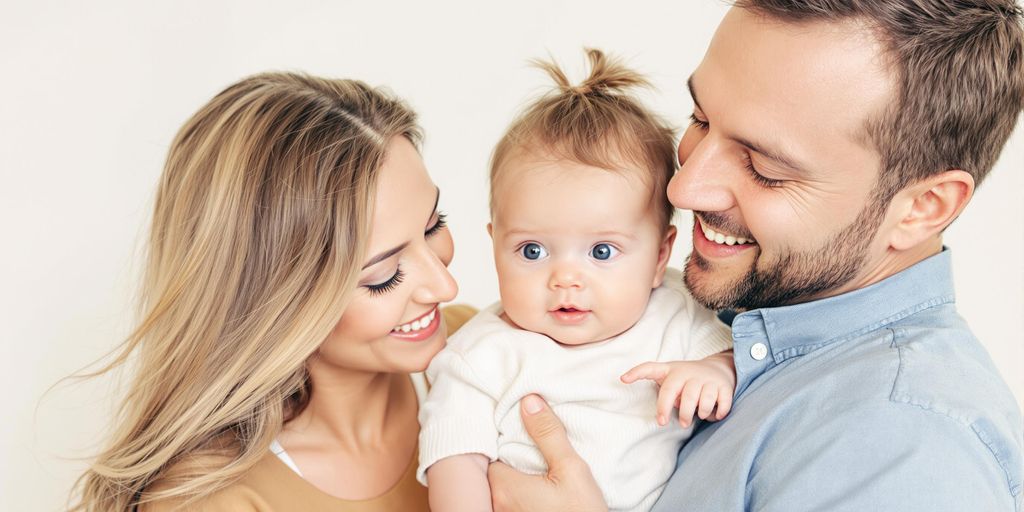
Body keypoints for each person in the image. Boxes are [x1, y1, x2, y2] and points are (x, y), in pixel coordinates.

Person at [487, 2, 1024, 511]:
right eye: (699, 120)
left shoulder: (906, 448)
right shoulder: (724, 311)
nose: (684, 189)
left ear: (921, 209)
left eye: (765, 168)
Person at [69, 72, 472, 511]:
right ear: (275, 303)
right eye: (384, 274)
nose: (445, 287)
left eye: (434, 225)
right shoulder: (214, 502)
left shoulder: (486, 349)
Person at [417, 49, 736, 512]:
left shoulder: (677, 311)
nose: (565, 279)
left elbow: (735, 355)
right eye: (532, 251)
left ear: (659, 256)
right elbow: (454, 459)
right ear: (494, 246)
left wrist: (715, 370)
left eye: (602, 252)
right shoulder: (480, 355)